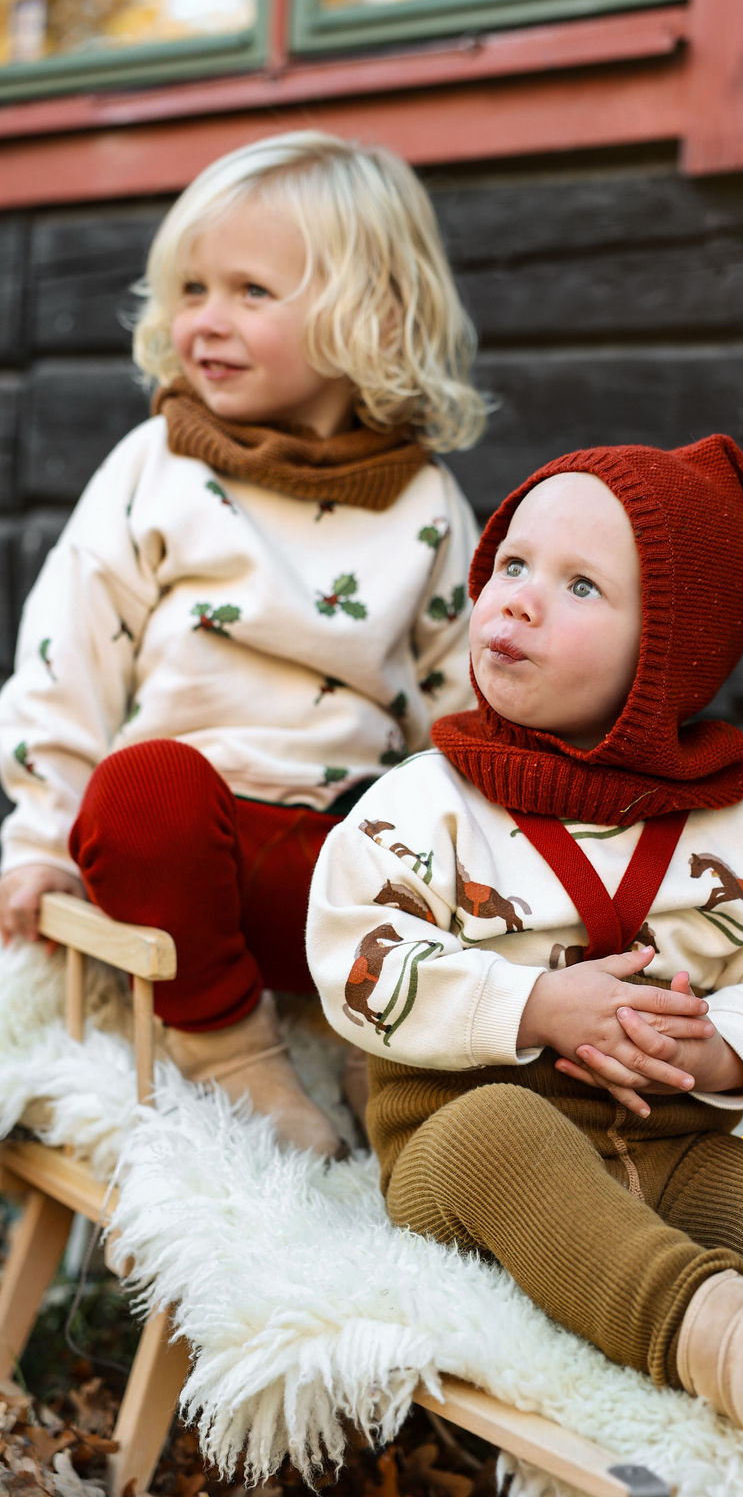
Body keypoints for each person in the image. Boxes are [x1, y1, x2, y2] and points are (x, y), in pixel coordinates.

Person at [307, 436, 743, 1492]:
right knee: (502, 1134)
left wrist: (725, 1049)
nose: (518, 600)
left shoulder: (722, 821)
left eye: (579, 583)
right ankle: (734, 1343)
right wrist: (536, 1004)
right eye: (511, 564)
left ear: (667, 655)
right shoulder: (431, 802)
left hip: (668, 1141)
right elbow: (356, 949)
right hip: (466, 1142)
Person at [0, 130, 486, 1159]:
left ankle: (381, 1047)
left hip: (330, 861)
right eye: (189, 289)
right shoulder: (158, 467)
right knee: (141, 792)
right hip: (179, 851)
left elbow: (462, 695)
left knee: (419, 831)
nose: (202, 323)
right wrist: (42, 840)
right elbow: (68, 653)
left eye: (250, 292)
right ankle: (229, 1049)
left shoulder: (426, 501)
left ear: (371, 315)